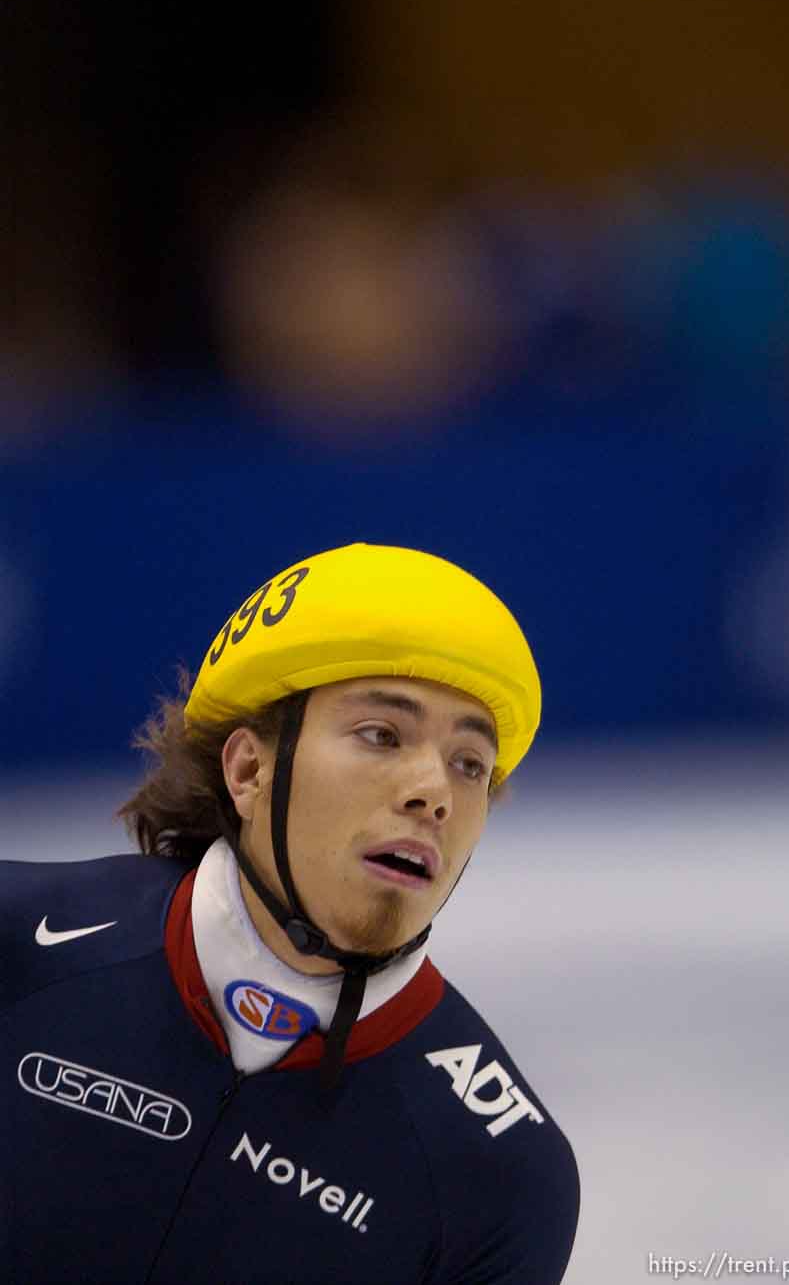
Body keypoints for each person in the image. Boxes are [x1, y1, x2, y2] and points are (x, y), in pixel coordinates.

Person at [1, 542, 580, 1284]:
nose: (433, 791)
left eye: (469, 764)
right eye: (382, 735)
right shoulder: (17, 948)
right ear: (248, 769)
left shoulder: (500, 1174)